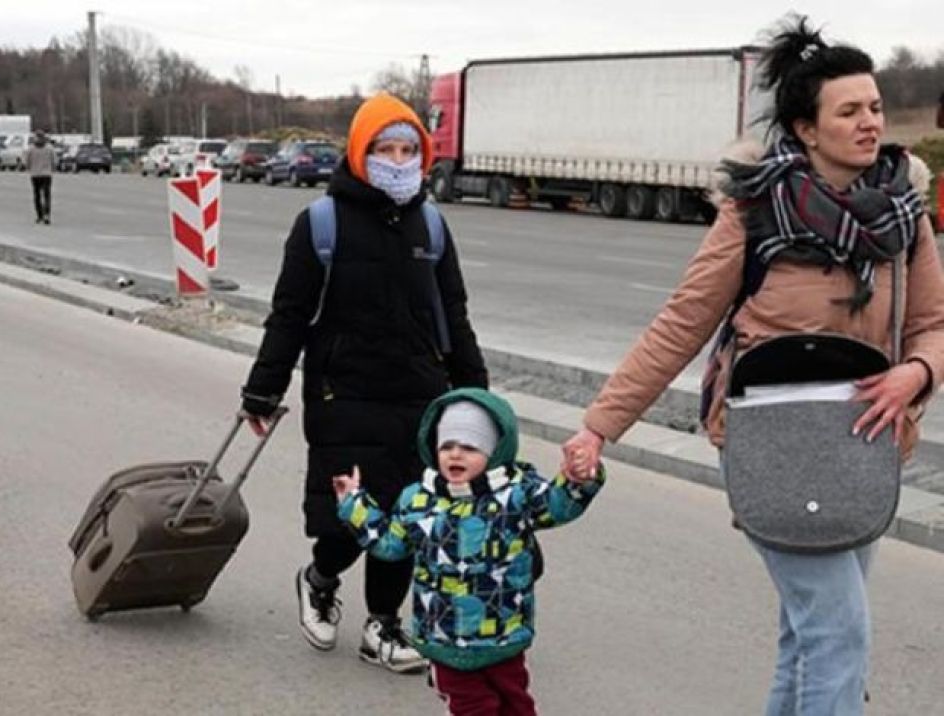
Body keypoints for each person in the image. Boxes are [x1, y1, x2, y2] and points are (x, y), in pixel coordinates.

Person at [560, 17, 944, 716]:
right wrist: (598, 428)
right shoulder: (754, 210)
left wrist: (916, 373)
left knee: (810, 636)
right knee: (838, 629)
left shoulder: (903, 212)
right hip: (772, 446)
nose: (869, 123)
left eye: (876, 107)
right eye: (849, 110)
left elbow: (931, 325)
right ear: (806, 128)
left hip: (866, 444)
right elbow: (682, 322)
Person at [240, 93, 489, 673]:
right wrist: (263, 389)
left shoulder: (431, 223)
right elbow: (290, 314)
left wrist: (476, 394)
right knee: (350, 520)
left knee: (409, 516)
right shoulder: (320, 224)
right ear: (360, 152)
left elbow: (453, 314)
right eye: (385, 149)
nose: (397, 160)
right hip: (342, 394)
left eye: (408, 150)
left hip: (417, 395)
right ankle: (321, 577)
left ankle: (383, 624)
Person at [334, 388, 603, 715]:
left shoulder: (516, 496)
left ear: (495, 451)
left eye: (470, 446)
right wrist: (355, 506)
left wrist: (578, 479)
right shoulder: (418, 500)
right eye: (447, 446)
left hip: (503, 635)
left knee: (515, 704)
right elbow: (390, 545)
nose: (455, 455)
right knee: (472, 707)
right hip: (444, 637)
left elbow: (558, 506)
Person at [24, 131, 57, 224]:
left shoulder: (31, 149)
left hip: (35, 174)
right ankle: (47, 214)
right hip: (47, 174)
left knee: (37, 195)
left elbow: (27, 161)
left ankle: (39, 215)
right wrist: (53, 168)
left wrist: (29, 168)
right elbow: (54, 160)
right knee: (47, 195)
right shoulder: (49, 148)